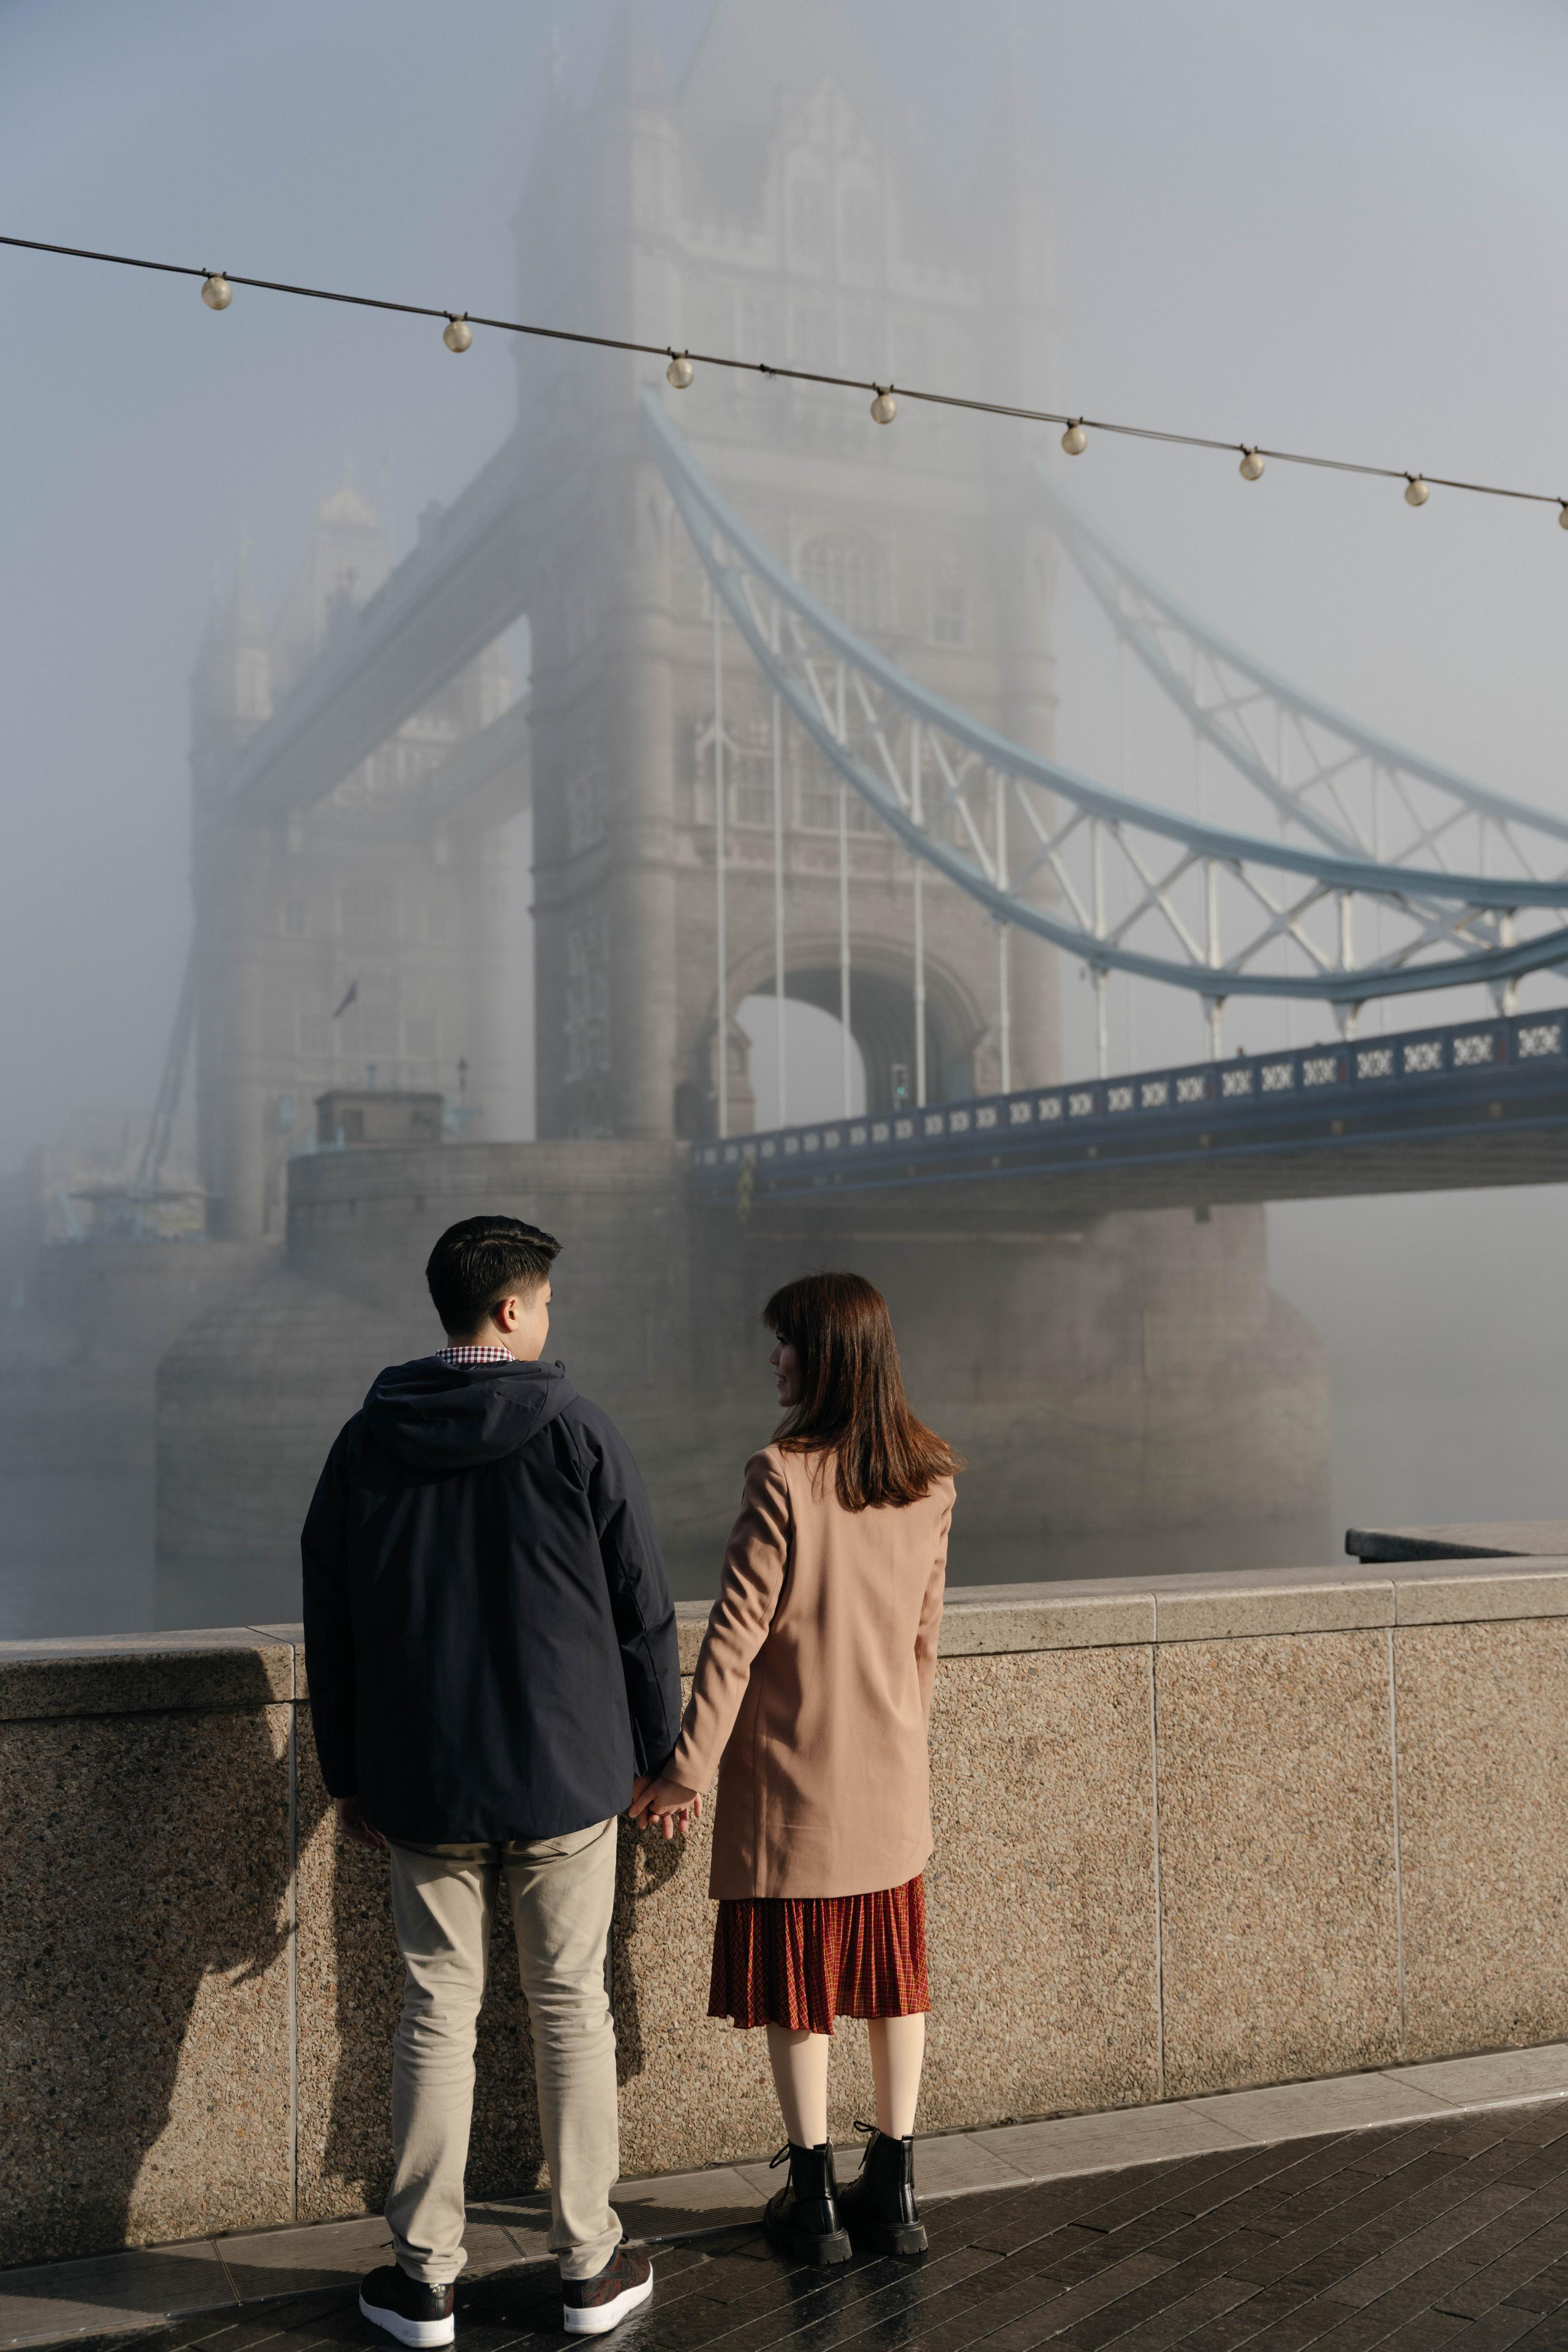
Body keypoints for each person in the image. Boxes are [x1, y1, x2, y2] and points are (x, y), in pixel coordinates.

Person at [303, 1215, 683, 2343]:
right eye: (547, 1303)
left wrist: (348, 1774)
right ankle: (590, 2269)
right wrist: (660, 1751)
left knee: (436, 2012)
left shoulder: (368, 1440)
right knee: (571, 2006)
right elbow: (643, 1608)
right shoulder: (576, 1431)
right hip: (567, 1777)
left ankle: (425, 2280)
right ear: (511, 1309)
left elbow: (333, 1618)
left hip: (425, 1780)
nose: (552, 1320)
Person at [630, 1270, 959, 2267]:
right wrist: (899, 1746)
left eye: (785, 1343)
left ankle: (813, 2197)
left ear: (826, 1358)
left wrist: (685, 1772)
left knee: (805, 1986)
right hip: (890, 1778)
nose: (773, 1359)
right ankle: (896, 2189)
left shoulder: (780, 1475)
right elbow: (924, 1644)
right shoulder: (930, 1479)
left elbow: (734, 1644)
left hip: (795, 1789)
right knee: (894, 1980)